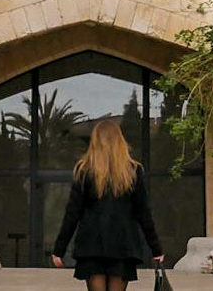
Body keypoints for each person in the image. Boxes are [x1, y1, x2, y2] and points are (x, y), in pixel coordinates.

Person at [50, 120, 164, 291]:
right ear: (120, 142)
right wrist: (156, 248)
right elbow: (143, 213)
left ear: (95, 141)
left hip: (92, 244)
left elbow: (72, 213)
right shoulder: (133, 171)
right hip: (123, 245)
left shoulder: (84, 171)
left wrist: (59, 249)